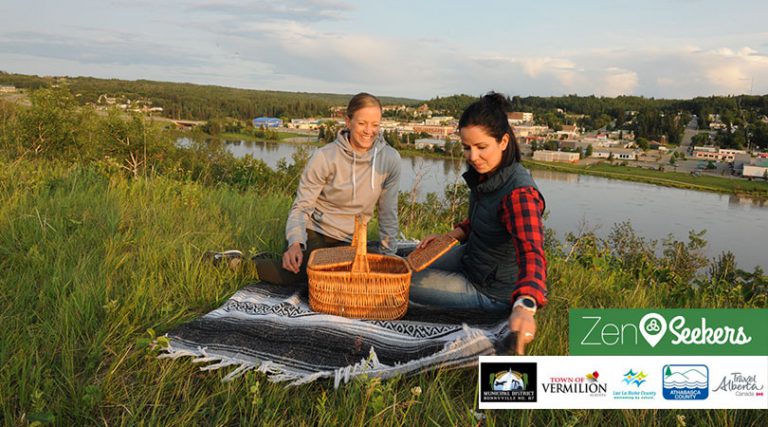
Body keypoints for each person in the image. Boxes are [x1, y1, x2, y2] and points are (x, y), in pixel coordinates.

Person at [410, 92, 547, 355]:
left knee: (403, 284)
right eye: (466, 147)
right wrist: (445, 239)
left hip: (491, 289)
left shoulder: (519, 195)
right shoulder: (487, 174)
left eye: (481, 147)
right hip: (473, 258)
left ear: (503, 141)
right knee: (409, 260)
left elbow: (533, 253)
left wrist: (525, 305)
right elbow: (480, 221)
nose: (472, 156)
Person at [251, 92, 402, 285]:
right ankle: (239, 264)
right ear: (348, 122)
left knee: (361, 275)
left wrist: (388, 258)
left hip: (353, 241)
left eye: (375, 125)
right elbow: (302, 206)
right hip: (317, 232)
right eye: (362, 123)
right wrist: (295, 243)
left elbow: (388, 213)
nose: (369, 131)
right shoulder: (324, 157)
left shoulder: (390, 159)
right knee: (307, 274)